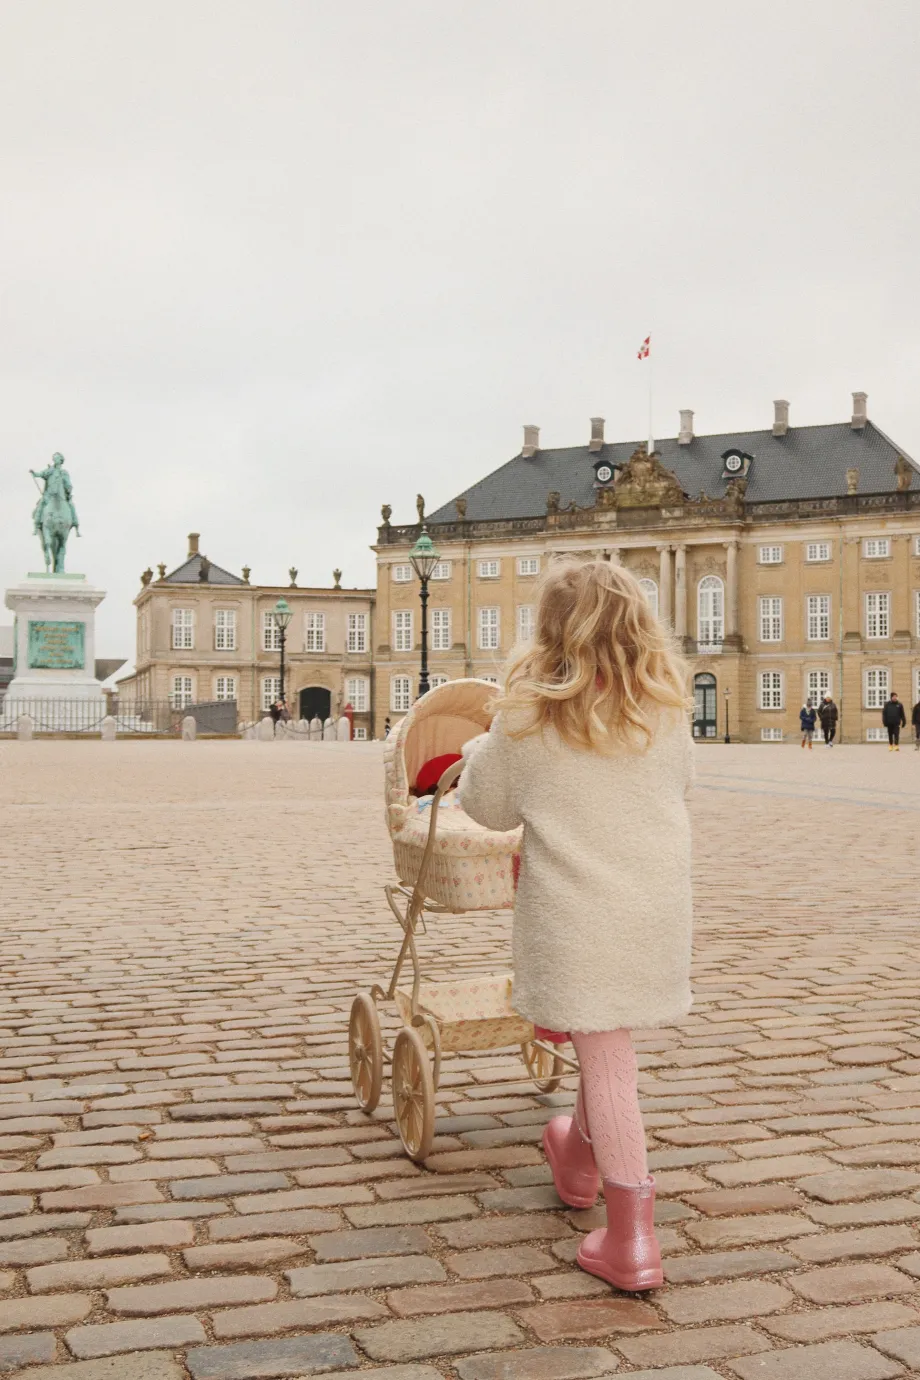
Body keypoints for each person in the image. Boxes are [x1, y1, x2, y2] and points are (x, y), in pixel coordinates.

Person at [457, 558, 693, 1293]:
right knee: (605, 1035)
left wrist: (478, 749)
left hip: (580, 915)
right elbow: (676, 788)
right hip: (654, 907)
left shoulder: (528, 714)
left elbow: (486, 808)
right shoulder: (665, 704)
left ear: (551, 630)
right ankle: (578, 1156)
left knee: (609, 1060)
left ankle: (631, 1241)